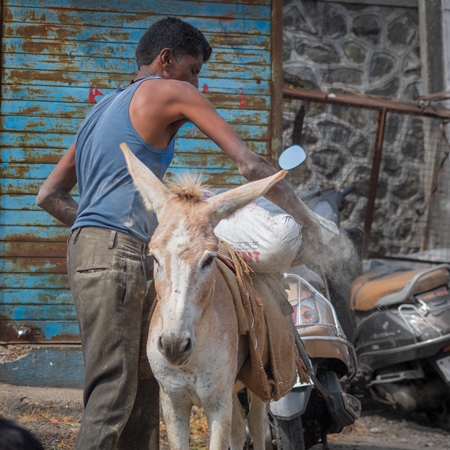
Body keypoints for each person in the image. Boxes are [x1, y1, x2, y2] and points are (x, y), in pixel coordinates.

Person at [36, 17, 322, 450]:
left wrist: (102, 231)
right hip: (118, 253)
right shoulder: (172, 90)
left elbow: (48, 196)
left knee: (148, 385)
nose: (196, 85)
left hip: (92, 251)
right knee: (113, 394)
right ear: (166, 61)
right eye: (194, 71)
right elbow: (249, 166)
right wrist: (310, 221)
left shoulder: (100, 111)